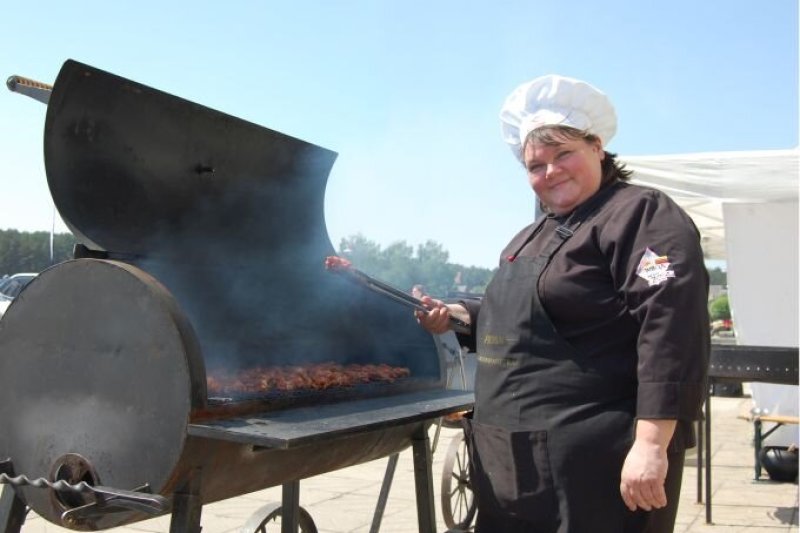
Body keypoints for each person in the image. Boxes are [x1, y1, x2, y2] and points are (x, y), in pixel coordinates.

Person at [416, 74, 709, 532]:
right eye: (535, 166)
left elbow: (671, 328)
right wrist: (455, 316)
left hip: (597, 467)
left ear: (597, 147)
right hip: (513, 462)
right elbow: (519, 318)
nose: (549, 172)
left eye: (563, 155)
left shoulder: (641, 214)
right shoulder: (528, 236)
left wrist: (651, 444)